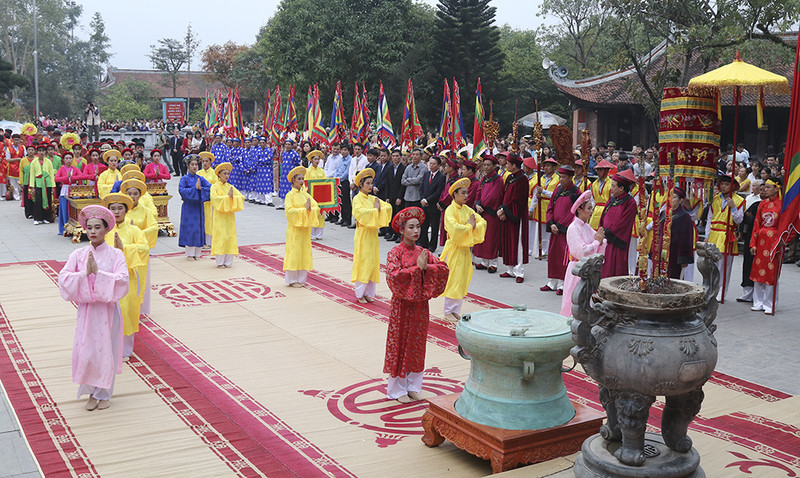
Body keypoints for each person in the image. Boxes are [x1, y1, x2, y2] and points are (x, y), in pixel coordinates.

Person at [58, 205, 128, 410]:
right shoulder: (78, 254)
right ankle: (90, 390)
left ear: (106, 229)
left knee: (106, 350)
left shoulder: (116, 255)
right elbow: (63, 278)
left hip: (107, 311)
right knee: (86, 350)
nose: (93, 232)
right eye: (89, 228)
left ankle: (104, 393)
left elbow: (123, 280)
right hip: (87, 311)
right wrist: (83, 275)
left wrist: (100, 275)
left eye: (98, 227)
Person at [383, 207, 449, 403]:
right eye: (411, 227)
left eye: (418, 227)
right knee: (400, 344)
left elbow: (443, 268)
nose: (416, 231)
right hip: (402, 307)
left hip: (420, 306)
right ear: (402, 230)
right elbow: (393, 277)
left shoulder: (423, 252)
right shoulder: (395, 253)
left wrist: (426, 267)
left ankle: (414, 385)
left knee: (417, 344)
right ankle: (397, 389)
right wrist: (415, 270)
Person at [102, 193, 148, 361]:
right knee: (108, 312)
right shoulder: (104, 230)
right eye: (113, 209)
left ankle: (126, 350)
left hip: (127, 277)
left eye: (120, 208)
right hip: (107, 277)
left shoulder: (134, 230)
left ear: (126, 210)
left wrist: (125, 249)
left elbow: (144, 250)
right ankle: (109, 347)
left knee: (127, 311)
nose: (116, 212)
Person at [440, 178, 486, 322]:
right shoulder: (450, 210)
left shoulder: (468, 209)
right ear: (455, 194)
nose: (466, 196)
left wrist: (470, 226)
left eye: (467, 193)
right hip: (454, 249)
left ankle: (455, 310)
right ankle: (448, 310)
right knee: (453, 279)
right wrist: (469, 227)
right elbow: (454, 229)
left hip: (465, 250)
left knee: (462, 279)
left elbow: (482, 222)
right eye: (463, 193)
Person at [561, 190, 606, 316]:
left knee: (585, 301)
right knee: (574, 301)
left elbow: (597, 239)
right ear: (580, 210)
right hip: (577, 269)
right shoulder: (573, 228)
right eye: (589, 208)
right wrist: (597, 242)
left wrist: (601, 241)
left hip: (586, 269)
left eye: (592, 208)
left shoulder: (586, 226)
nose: (592, 211)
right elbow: (580, 251)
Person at [352, 168, 393, 303]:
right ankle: (360, 293)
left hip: (372, 235)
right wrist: (376, 210)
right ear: (361, 185)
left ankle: (369, 292)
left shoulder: (373, 198)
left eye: (371, 183)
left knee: (372, 262)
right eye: (368, 183)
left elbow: (387, 207)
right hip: (363, 234)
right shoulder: (357, 199)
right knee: (363, 262)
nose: (370, 186)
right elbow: (360, 213)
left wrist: (378, 209)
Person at [705, 175, 745, 302]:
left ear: (733, 186)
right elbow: (709, 219)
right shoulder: (715, 199)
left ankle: (721, 292)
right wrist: (706, 236)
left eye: (726, 184)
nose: (723, 186)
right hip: (714, 235)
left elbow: (739, 220)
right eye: (722, 184)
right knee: (711, 265)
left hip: (727, 235)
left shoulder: (738, 200)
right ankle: (710, 289)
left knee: (724, 266)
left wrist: (733, 207)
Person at [122, 179, 158, 316]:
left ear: (140, 195)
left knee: (141, 278)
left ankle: (141, 309)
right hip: (125, 250)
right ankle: (126, 307)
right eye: (129, 193)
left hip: (140, 250)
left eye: (135, 193)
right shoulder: (121, 209)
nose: (132, 196)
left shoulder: (146, 211)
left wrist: (137, 232)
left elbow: (154, 227)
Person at [543, 165, 581, 294]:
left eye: (564, 177)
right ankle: (552, 281)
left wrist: (560, 226)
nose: (561, 179)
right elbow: (550, 207)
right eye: (560, 176)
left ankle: (562, 284)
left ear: (571, 177)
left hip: (565, 230)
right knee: (553, 255)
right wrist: (551, 222)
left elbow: (574, 212)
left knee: (563, 257)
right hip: (555, 228)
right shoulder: (557, 189)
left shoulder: (576, 192)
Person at [283, 166, 321, 287]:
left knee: (304, 252)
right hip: (295, 229)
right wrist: (305, 211)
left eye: (302, 179)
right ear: (293, 180)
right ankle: (292, 280)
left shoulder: (306, 195)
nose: (301, 181)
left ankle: (301, 279)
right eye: (299, 179)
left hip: (305, 229)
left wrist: (310, 210)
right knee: (295, 252)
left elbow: (316, 207)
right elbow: (289, 211)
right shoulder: (290, 195)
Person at [749, 178, 782, 314]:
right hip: (761, 241)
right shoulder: (762, 204)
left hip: (774, 242)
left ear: (776, 189)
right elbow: (756, 224)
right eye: (765, 187)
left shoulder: (782, 205)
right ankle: (758, 302)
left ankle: (769, 303)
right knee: (758, 271)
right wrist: (753, 244)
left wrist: (781, 241)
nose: (766, 189)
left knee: (770, 273)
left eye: (769, 187)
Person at [598, 169, 638, 278]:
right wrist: (600, 230)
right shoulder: (612, 199)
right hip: (606, 238)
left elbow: (623, 223)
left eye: (613, 186)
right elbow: (603, 215)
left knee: (615, 268)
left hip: (617, 240)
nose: (611, 189)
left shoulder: (630, 202)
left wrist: (607, 233)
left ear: (621, 188)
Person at [498, 154, 530, 283]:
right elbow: (505, 195)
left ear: (514, 165)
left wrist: (505, 210)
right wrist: (502, 209)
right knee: (508, 241)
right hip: (507, 213)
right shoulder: (510, 178)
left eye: (508, 164)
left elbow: (518, 200)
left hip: (517, 215)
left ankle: (519, 272)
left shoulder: (522, 179)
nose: (506, 165)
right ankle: (510, 268)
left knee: (518, 242)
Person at [210, 162, 245, 268]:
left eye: (228, 174)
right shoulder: (214, 187)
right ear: (219, 174)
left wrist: (233, 197)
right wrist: (228, 198)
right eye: (224, 173)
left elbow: (242, 197)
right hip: (220, 217)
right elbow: (214, 199)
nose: (226, 176)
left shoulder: (230, 187)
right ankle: (220, 262)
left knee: (230, 237)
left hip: (229, 217)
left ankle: (228, 262)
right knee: (221, 237)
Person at [473, 155, 504, 273]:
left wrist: (485, 205)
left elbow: (495, 195)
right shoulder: (484, 179)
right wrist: (477, 204)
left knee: (492, 238)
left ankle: (493, 262)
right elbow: (478, 193)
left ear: (494, 166)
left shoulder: (498, 180)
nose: (486, 167)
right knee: (482, 237)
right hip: (481, 211)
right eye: (484, 165)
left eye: (488, 165)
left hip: (492, 212)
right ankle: (484, 261)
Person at [179, 155, 212, 260]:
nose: (194, 166)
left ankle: (197, 253)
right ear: (188, 166)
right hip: (189, 207)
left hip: (198, 207)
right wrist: (195, 189)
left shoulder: (200, 178)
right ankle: (189, 254)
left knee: (198, 228)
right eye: (192, 164)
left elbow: (210, 188)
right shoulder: (184, 178)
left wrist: (200, 189)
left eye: (196, 164)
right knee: (190, 228)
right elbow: (182, 191)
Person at [739, 183, 764, 303]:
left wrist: (754, 219)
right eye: (762, 189)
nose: (763, 191)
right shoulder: (755, 204)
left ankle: (761, 297)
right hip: (751, 237)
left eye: (766, 189)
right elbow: (746, 218)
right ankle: (748, 293)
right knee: (748, 263)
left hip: (765, 240)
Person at [530, 157, 559, 258]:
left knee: (550, 231)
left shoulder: (558, 179)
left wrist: (543, 192)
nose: (545, 168)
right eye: (545, 166)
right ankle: (542, 250)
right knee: (541, 231)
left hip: (550, 206)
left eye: (548, 166)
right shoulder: (541, 178)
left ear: (553, 167)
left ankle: (549, 251)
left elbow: (556, 194)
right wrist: (531, 208)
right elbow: (535, 193)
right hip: (541, 205)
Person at [54, 151, 86, 235]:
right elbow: (56, 179)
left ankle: (75, 226)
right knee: (64, 209)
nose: (68, 160)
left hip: (74, 189)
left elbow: (81, 176)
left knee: (73, 209)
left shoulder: (75, 169)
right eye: (67, 158)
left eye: (70, 158)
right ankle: (64, 228)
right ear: (63, 160)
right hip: (65, 189)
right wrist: (65, 178)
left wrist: (71, 178)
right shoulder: (61, 169)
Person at [419, 156, 446, 251]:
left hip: (433, 205)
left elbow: (438, 192)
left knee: (434, 226)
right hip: (424, 203)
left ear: (439, 165)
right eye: (430, 163)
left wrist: (427, 200)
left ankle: (432, 245)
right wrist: (422, 199)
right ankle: (424, 243)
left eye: (434, 164)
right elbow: (421, 188)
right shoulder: (426, 174)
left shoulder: (441, 177)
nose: (431, 165)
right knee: (424, 225)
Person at [382, 149, 407, 242]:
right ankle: (393, 233)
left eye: (397, 156)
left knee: (399, 217)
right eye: (394, 156)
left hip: (399, 197)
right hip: (391, 196)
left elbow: (403, 185)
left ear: (400, 157)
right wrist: (387, 197)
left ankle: (400, 235)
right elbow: (387, 183)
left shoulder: (404, 168)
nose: (395, 158)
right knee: (392, 216)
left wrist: (400, 197)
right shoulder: (389, 168)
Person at [29, 145, 56, 225]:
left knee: (47, 200)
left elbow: (51, 174)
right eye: (40, 151)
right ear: (37, 152)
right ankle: (37, 218)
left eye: (43, 151)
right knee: (38, 201)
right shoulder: (34, 162)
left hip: (47, 182)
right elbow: (32, 174)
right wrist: (32, 187)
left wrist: (52, 186)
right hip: (39, 182)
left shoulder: (48, 161)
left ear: (45, 152)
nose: (41, 152)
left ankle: (46, 217)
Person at [304, 150, 327, 240]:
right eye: (315, 159)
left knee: (320, 214)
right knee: (312, 212)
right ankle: (312, 233)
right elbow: (305, 183)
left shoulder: (321, 171)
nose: (317, 161)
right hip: (312, 196)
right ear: (311, 160)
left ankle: (319, 234)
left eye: (318, 159)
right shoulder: (308, 171)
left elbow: (325, 182)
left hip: (320, 196)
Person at [197, 152, 218, 248]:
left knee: (209, 221)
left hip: (209, 201)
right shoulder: (198, 173)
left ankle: (209, 242)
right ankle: (201, 241)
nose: (205, 163)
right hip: (200, 201)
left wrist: (204, 189)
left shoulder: (214, 173)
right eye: (203, 161)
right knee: (201, 220)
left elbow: (215, 187)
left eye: (207, 161)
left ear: (210, 162)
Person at [276, 139, 301, 209]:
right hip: (284, 175)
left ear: (292, 145)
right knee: (282, 189)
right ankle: (282, 204)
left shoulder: (295, 154)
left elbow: (297, 165)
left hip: (291, 175)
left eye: (289, 144)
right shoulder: (284, 153)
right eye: (286, 144)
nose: (287, 146)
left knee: (290, 190)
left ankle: (290, 205)